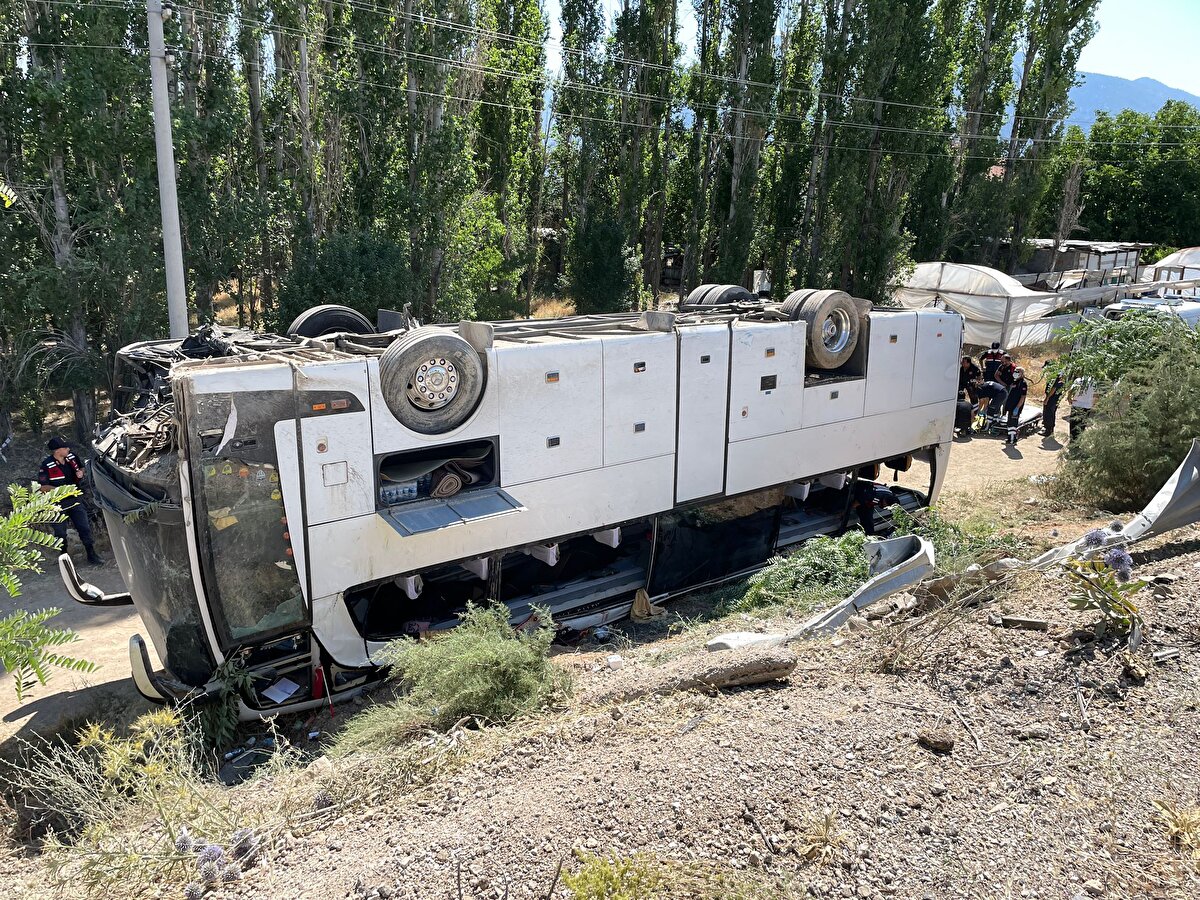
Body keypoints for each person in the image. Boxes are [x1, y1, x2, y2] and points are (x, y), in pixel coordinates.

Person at [37, 436, 102, 565]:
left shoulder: (72, 457)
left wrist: (81, 472)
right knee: (60, 533)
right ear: (57, 451)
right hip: (57, 504)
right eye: (65, 447)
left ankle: (91, 555)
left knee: (84, 528)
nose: (68, 449)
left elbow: (82, 467)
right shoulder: (46, 465)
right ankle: (65, 559)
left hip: (75, 500)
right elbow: (43, 487)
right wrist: (62, 491)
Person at [1002, 367, 1029, 446]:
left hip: (1015, 407)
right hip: (1010, 406)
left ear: (1022, 374)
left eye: (1018, 372)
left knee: (1013, 423)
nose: (1016, 372)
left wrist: (1017, 407)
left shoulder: (1023, 383)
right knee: (1009, 423)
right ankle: (1010, 438)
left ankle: (1013, 439)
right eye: (1015, 371)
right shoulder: (1014, 381)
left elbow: (1023, 397)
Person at [1042, 365, 1065, 436]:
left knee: (1048, 413)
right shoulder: (1058, 377)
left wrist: (1047, 398)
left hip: (1052, 398)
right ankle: (1050, 429)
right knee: (1051, 413)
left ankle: (1048, 430)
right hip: (1055, 398)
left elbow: (1053, 389)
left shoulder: (1055, 378)